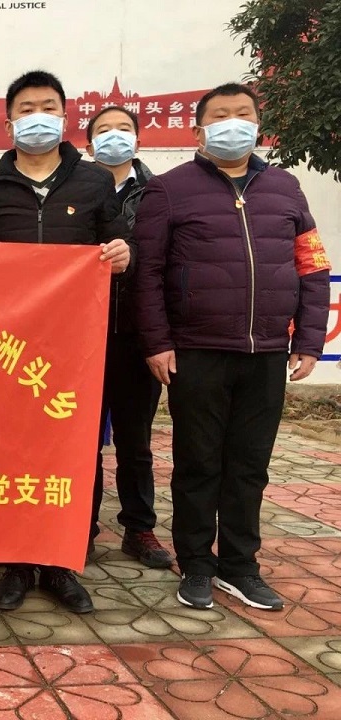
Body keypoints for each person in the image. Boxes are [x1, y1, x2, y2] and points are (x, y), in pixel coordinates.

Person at [134, 82, 330, 611]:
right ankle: (197, 563)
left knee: (249, 465)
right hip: (196, 350)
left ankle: (241, 566)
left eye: (242, 114)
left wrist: (309, 339)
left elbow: (312, 266)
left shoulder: (286, 188)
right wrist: (157, 342)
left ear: (257, 125)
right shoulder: (169, 189)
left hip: (266, 352)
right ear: (198, 130)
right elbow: (147, 275)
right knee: (198, 463)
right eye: (220, 116)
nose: (232, 124)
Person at [0, 70, 132, 615]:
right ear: (9, 120)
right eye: (26, 108)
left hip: (74, 349)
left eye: (48, 107)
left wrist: (121, 254)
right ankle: (17, 561)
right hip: (4, 350)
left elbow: (117, 242)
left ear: (63, 117)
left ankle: (63, 560)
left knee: (76, 451)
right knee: (10, 451)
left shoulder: (94, 183)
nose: (37, 117)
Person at [83, 106, 172, 569]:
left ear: (138, 140)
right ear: (88, 143)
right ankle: (81, 528)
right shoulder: (77, 189)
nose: (113, 136)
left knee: (135, 442)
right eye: (103, 130)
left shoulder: (159, 192)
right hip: (81, 336)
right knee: (81, 441)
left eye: (123, 129)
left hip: (136, 335)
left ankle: (139, 528)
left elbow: (165, 257)